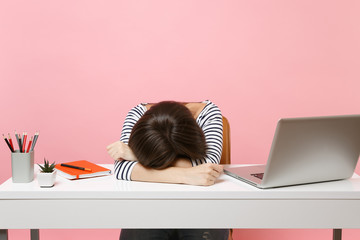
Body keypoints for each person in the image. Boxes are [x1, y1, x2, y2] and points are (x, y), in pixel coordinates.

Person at [106, 100, 229, 240]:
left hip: (200, 204)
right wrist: (185, 175)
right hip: (151, 204)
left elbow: (208, 166)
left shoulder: (208, 113)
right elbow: (122, 170)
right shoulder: (137, 114)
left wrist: (137, 156)